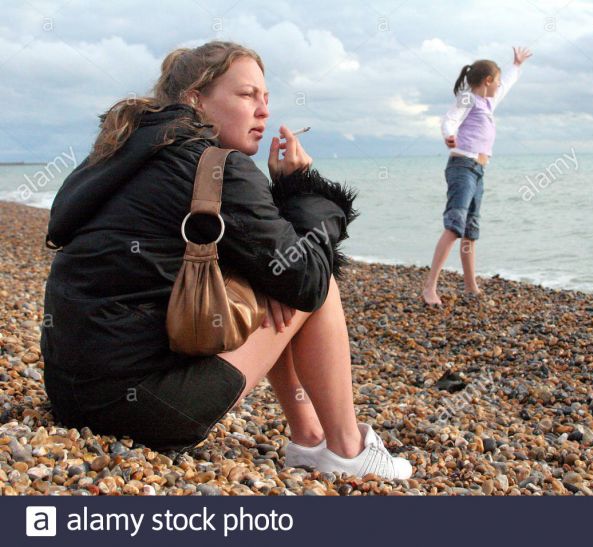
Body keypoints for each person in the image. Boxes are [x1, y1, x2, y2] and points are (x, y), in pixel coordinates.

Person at [40, 40, 412, 480]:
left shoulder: (120, 153)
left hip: (72, 396)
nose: (263, 112)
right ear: (195, 99)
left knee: (273, 274)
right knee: (317, 283)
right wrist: (301, 188)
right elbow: (308, 280)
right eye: (247, 95)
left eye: (266, 99)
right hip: (141, 411)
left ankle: (310, 439)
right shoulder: (216, 165)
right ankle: (348, 449)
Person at [422, 47, 533, 306]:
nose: (499, 85)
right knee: (454, 227)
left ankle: (471, 287)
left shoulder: (488, 101)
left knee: (470, 230)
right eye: (497, 79)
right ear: (487, 81)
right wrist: (449, 135)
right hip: (462, 167)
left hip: (478, 170)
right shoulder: (468, 98)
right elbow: (450, 119)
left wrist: (517, 65)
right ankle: (430, 287)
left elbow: (507, 85)